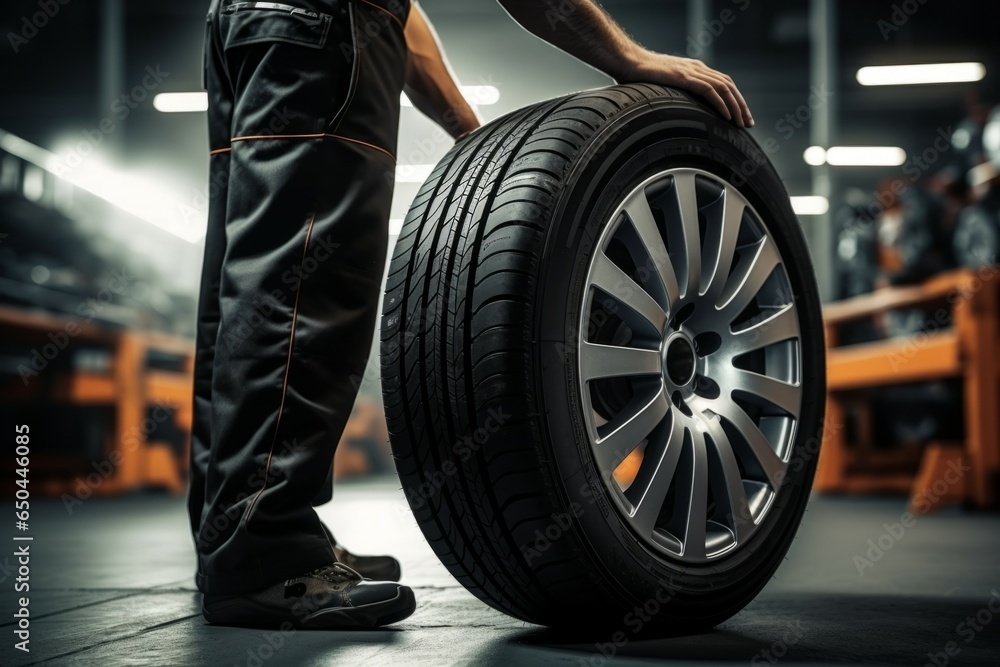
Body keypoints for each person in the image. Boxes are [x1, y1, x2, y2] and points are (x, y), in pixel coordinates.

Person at [188, 0, 753, 630]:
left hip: (244, 23)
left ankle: (230, 539)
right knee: (303, 279)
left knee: (244, 275)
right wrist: (630, 58)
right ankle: (265, 555)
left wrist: (467, 131)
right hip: (326, 23)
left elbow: (399, 13)